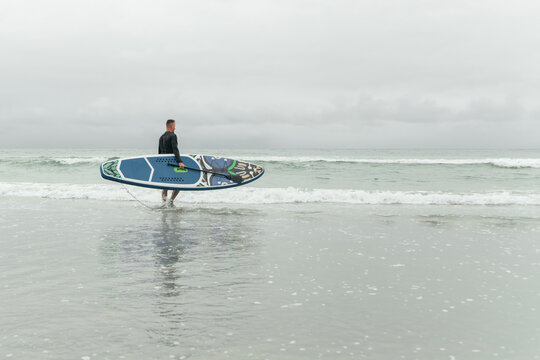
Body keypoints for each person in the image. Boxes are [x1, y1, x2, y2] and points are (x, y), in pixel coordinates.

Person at [159, 119, 185, 207]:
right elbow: (175, 149)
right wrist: (180, 162)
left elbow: (159, 153)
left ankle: (164, 203)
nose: (175, 127)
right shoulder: (173, 136)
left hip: (163, 164)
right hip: (172, 164)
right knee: (178, 184)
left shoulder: (161, 137)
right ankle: (170, 201)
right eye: (174, 126)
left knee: (165, 185)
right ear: (171, 126)